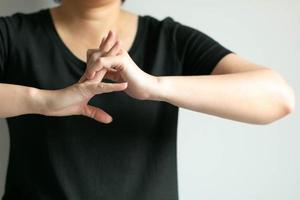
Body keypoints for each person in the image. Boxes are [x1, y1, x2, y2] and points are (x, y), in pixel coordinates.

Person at [0, 0, 295, 199]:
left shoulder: (170, 39)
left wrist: (154, 85)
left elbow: (277, 98)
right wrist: (42, 101)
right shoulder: (11, 35)